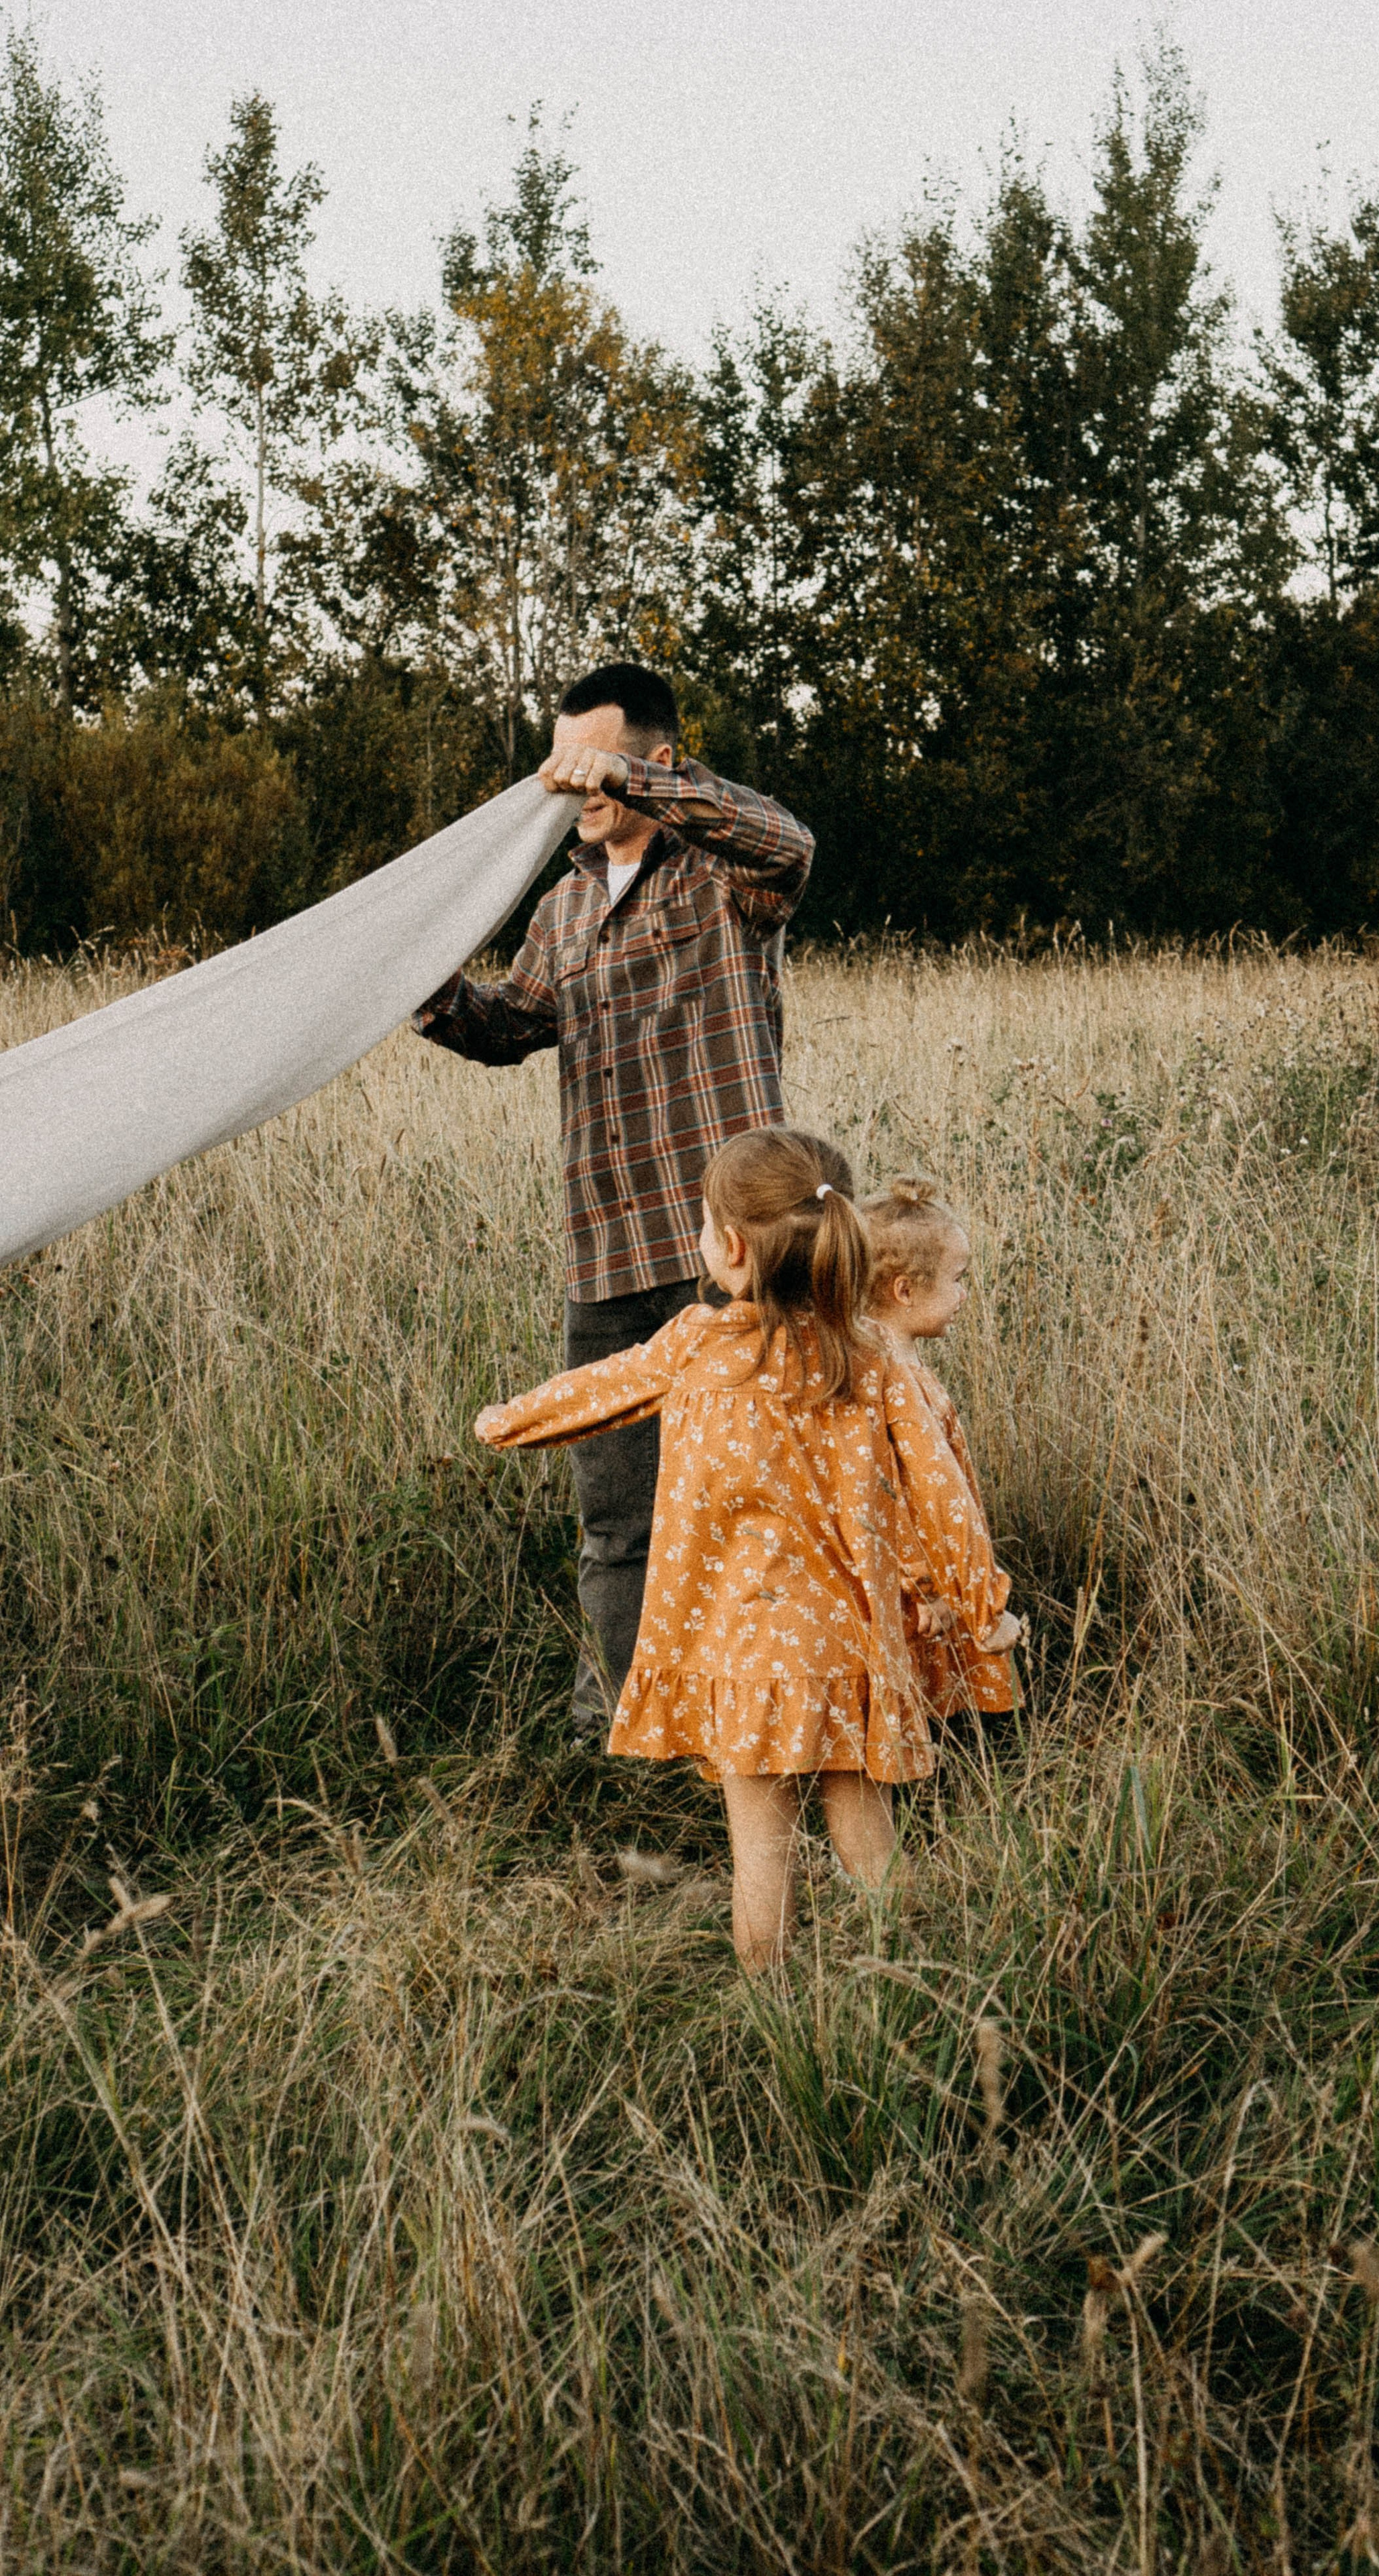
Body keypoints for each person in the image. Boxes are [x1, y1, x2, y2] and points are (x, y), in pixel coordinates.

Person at [473, 1128, 1022, 1969]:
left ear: (729, 1246)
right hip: (846, 1648)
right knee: (868, 1841)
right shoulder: (873, 1358)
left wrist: (506, 1422)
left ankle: (771, 2005)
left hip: (739, 1651)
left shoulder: (698, 1342)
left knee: (760, 1856)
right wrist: (983, 1604)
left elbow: (598, 1393)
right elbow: (941, 1493)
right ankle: (911, 1980)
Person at [416, 664, 814, 1733]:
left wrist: (646, 785)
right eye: (569, 763)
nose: (579, 788)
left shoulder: (725, 872)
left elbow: (790, 842)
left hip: (731, 1252)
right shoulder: (562, 904)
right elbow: (510, 1027)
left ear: (660, 758)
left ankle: (768, 1721)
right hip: (605, 1253)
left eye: (600, 763)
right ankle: (634, 1735)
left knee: (758, 1501)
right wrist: (428, 990)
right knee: (618, 1522)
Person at [861, 1177, 1019, 1723]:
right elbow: (901, 1493)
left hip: (917, 1577)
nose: (964, 1295)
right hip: (920, 1584)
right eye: (958, 1280)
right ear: (905, 1291)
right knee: (914, 1691)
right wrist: (930, 1585)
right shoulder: (893, 1379)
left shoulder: (887, 1365)